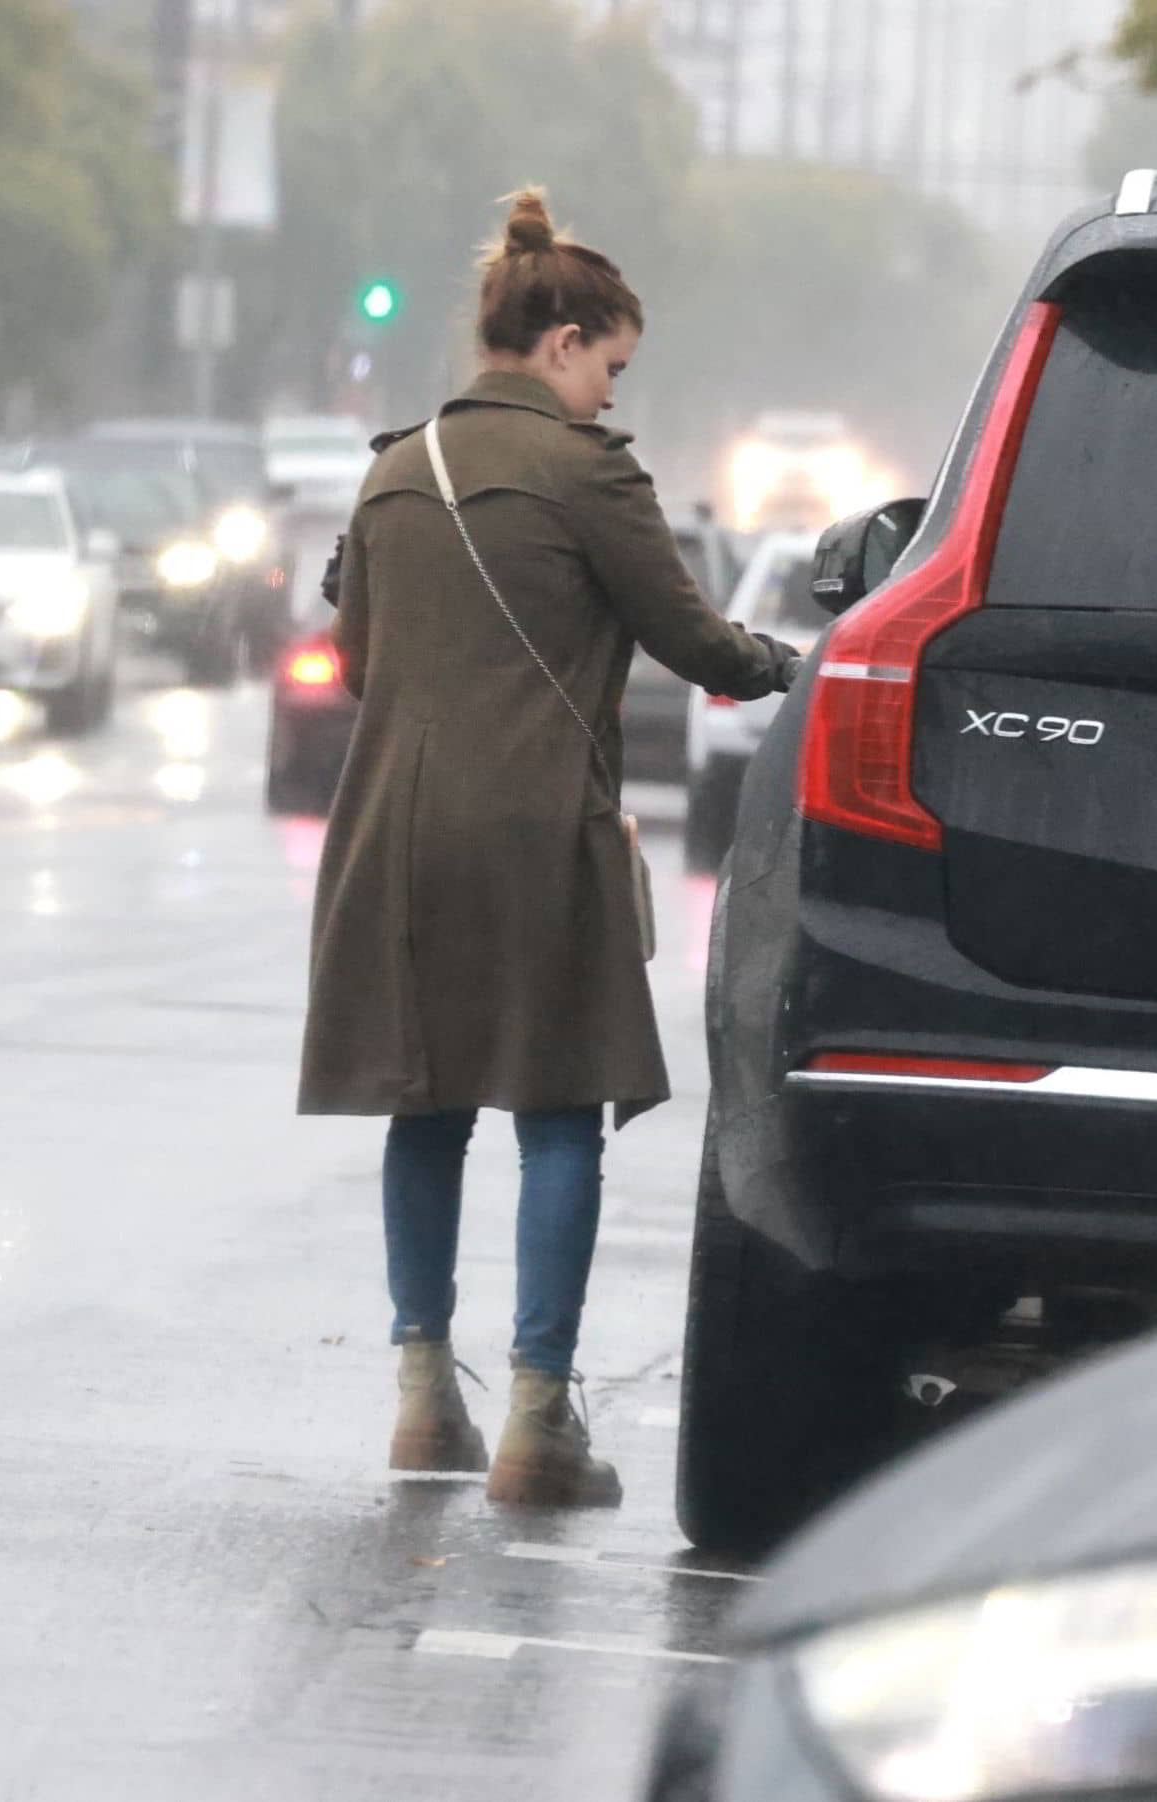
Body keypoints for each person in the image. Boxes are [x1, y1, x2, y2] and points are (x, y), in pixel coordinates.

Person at [298, 189, 798, 1508]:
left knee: (427, 1102)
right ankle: (536, 1422)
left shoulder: (394, 472)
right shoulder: (592, 473)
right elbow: (695, 639)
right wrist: (804, 665)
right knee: (559, 1108)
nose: (610, 392)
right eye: (613, 366)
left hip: (391, 839)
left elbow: (359, 665)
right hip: (538, 830)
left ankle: (420, 1401)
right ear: (566, 340)